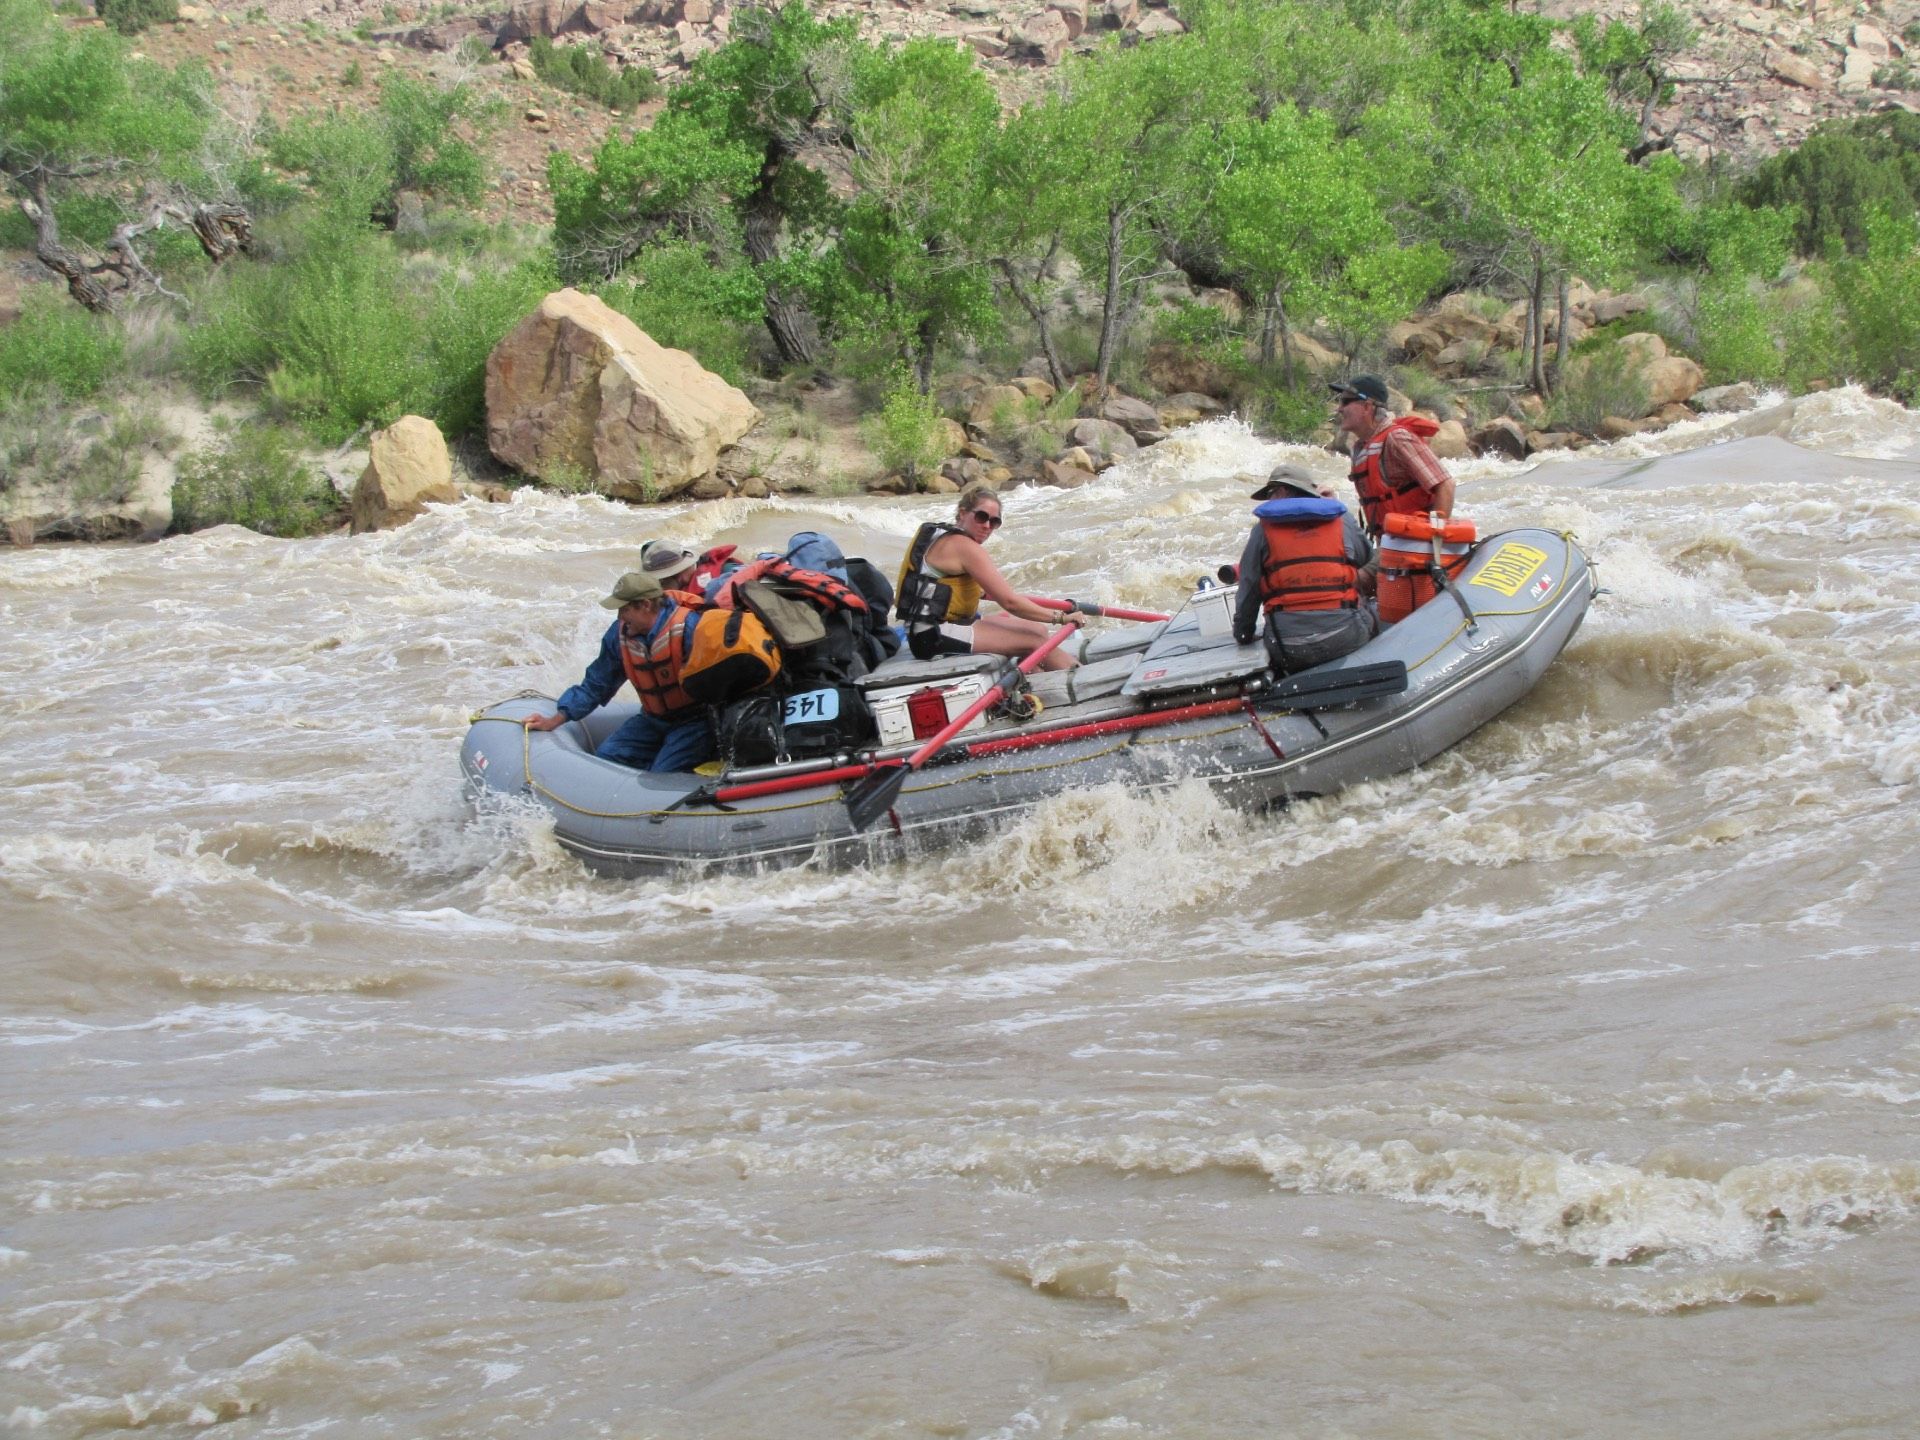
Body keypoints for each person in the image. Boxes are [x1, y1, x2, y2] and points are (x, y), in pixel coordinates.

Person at [522, 571, 715, 772]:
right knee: (606, 759)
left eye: (624, 609)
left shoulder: (690, 628)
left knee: (662, 775)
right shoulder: (619, 634)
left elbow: (720, 684)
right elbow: (596, 684)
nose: (620, 616)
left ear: (646, 605)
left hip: (696, 721)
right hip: (653, 719)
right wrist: (554, 720)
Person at [895, 484, 1084, 671]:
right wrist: (1061, 618)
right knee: (1034, 639)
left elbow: (945, 585)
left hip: (930, 629)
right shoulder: (964, 547)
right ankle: (1078, 683)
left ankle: (1036, 686)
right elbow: (1011, 603)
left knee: (1037, 630)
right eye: (981, 517)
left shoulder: (941, 535)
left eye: (994, 522)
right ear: (962, 513)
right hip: (932, 635)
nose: (987, 526)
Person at [1232, 464, 1377, 675]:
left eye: (1270, 494)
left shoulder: (1261, 530)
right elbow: (1367, 560)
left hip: (1288, 647)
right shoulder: (1341, 517)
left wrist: (1243, 634)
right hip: (1346, 635)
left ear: (1282, 491)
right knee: (1373, 611)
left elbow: (1249, 589)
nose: (1269, 500)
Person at [1332, 374, 1454, 540]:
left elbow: (1445, 485)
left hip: (1413, 543)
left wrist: (1433, 540)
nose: (1339, 408)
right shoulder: (1361, 448)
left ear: (1367, 407)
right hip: (1390, 544)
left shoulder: (1397, 438)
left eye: (1345, 402)